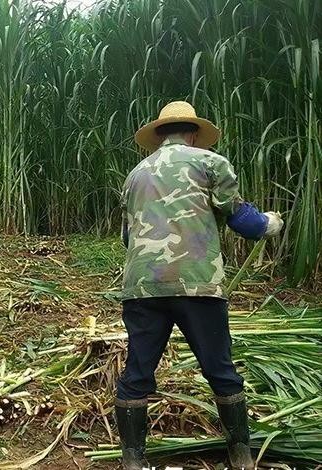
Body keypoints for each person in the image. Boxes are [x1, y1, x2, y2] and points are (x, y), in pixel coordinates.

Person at [115, 101, 284, 470]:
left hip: (142, 288)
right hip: (197, 285)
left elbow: (129, 237)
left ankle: (133, 461)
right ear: (193, 133)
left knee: (137, 373)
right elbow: (241, 219)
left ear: (160, 135)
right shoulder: (210, 162)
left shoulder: (135, 175)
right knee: (220, 370)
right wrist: (270, 223)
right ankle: (241, 457)